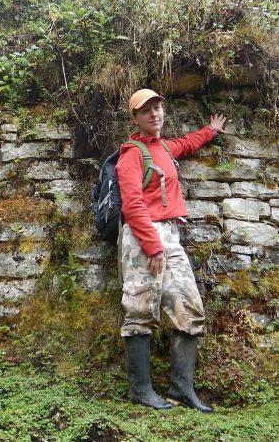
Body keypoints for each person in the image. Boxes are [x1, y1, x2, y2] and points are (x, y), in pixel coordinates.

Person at [116, 88, 227, 413]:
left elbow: (187, 144)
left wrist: (211, 131)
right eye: (147, 110)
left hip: (170, 235)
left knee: (189, 307)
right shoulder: (131, 155)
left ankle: (181, 388)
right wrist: (151, 247)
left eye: (158, 108)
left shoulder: (165, 147)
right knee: (140, 309)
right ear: (135, 118)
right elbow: (133, 204)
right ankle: (140, 391)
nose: (155, 114)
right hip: (140, 238)